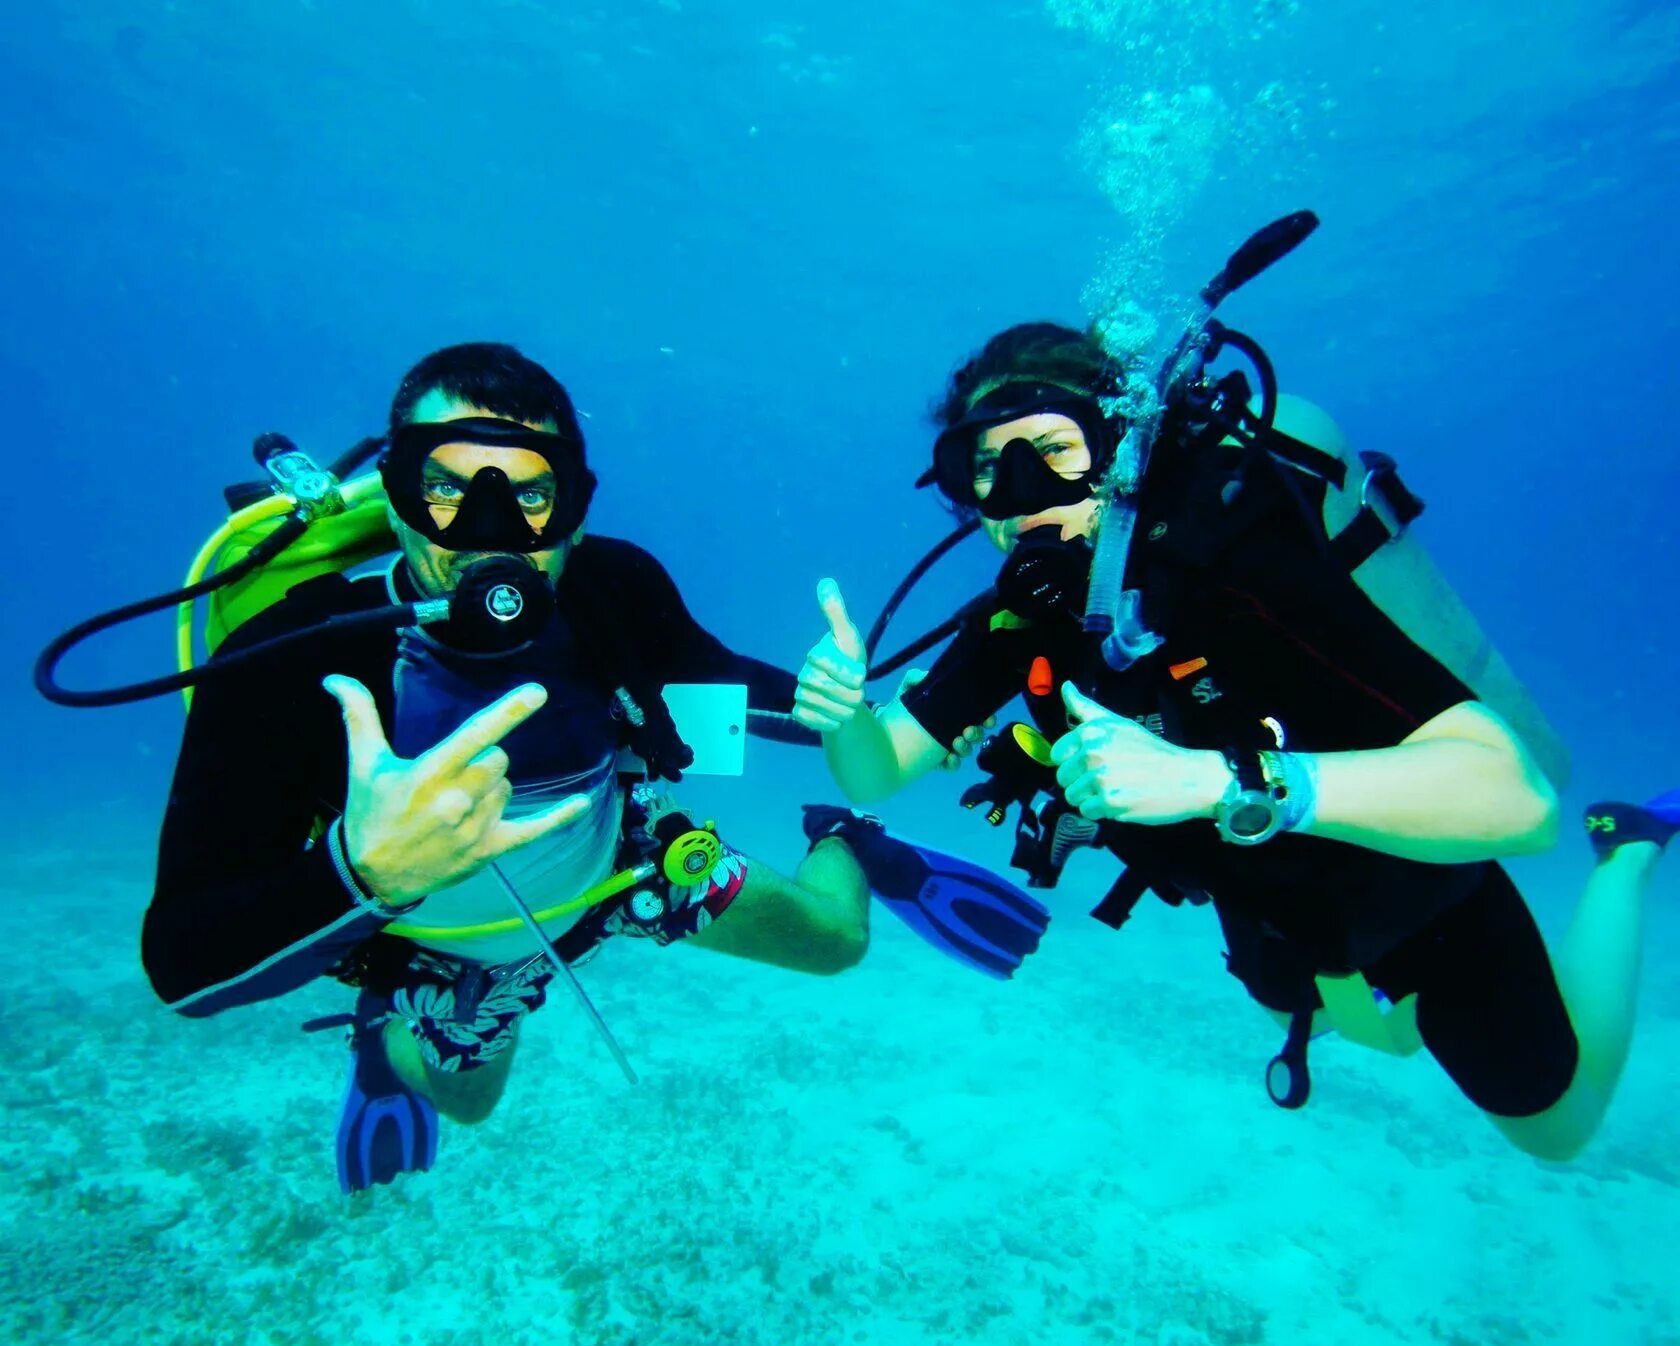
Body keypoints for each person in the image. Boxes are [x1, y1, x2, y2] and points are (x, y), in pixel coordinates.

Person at [139, 342, 1043, 1194]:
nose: (489, 533)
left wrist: (880, 726)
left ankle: (848, 842)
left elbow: (722, 688)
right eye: (448, 490)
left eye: (532, 496)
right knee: (470, 1102)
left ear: (575, 505)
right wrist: (363, 875)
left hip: (622, 870)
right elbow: (184, 964)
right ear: (397, 492)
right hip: (431, 941)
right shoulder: (286, 659)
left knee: (836, 944)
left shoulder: (612, 591)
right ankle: (384, 1039)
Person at [795, 319, 1677, 1161]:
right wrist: (848, 713)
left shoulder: (1237, 561)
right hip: (1272, 922)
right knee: (1343, 1023)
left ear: (1124, 449)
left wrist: (1218, 783)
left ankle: (1630, 853)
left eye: (1055, 450)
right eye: (988, 465)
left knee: (1560, 1134)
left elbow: (1520, 803)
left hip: (1414, 892)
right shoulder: (1026, 612)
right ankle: (1360, 1002)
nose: (1022, 493)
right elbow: (875, 773)